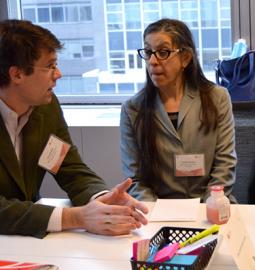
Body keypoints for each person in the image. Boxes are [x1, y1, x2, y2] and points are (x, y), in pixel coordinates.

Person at [0, 19, 148, 238]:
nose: (58, 74)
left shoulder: (45, 108)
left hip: (24, 242)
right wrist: (76, 217)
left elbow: (67, 166)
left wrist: (100, 199)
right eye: (50, 65)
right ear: (17, 74)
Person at [120, 18, 237, 202]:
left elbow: (225, 163)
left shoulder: (217, 98)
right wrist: (155, 212)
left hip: (211, 205)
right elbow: (135, 179)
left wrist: (210, 204)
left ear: (185, 58)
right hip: (159, 211)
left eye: (163, 52)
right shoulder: (133, 109)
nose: (152, 61)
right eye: (149, 52)